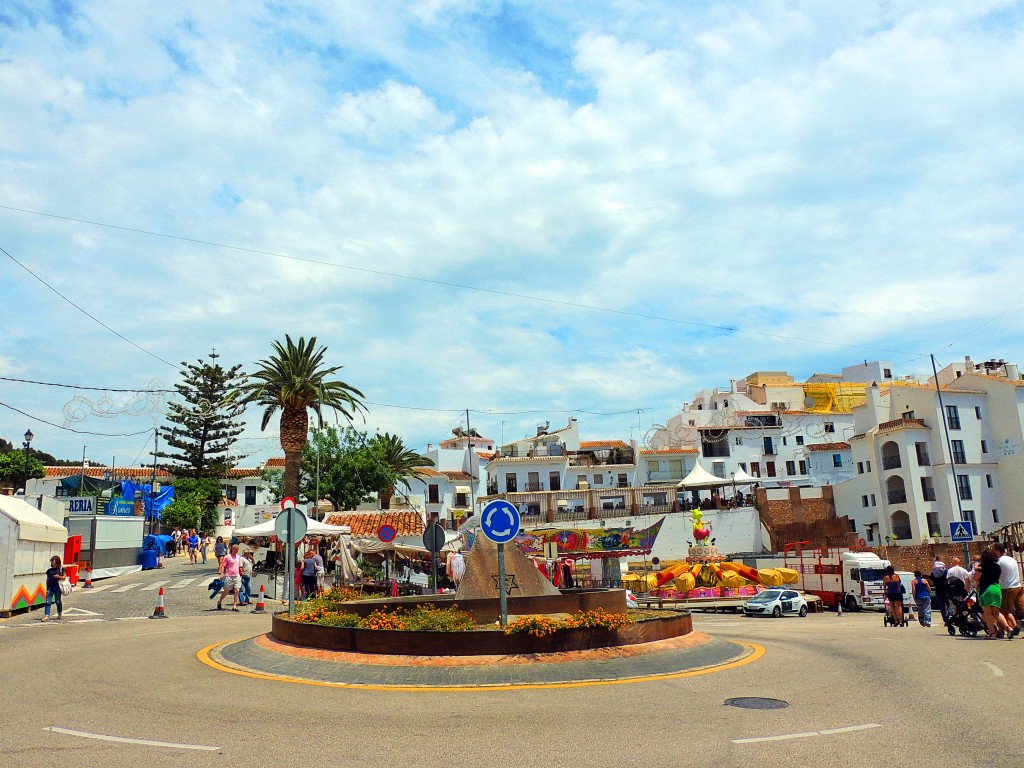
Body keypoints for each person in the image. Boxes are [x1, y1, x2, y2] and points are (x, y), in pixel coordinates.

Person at [977, 548, 1009, 638]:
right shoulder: (997, 567)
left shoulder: (983, 567)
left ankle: (992, 633)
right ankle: (1008, 628)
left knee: (988, 613)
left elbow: (975, 578)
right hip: (996, 588)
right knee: (996, 612)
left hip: (986, 590)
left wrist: (977, 568)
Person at [993, 542, 1022, 637]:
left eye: (993, 550)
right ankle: (1012, 627)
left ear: (997, 551)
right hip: (1017, 585)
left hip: (1007, 588)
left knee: (1003, 610)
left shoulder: (999, 562)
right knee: (1021, 608)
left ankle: (1002, 630)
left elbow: (997, 576)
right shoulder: (1012, 559)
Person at [217, 543, 243, 611]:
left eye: (238, 550)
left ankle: (234, 606)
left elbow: (239, 565)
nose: (236, 551)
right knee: (226, 591)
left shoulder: (238, 557)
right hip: (229, 576)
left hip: (237, 576)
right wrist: (222, 573)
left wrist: (241, 572)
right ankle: (220, 601)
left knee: (237, 590)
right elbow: (223, 565)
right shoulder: (227, 557)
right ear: (232, 549)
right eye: (235, 549)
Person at [42, 555, 68, 621]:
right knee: (48, 601)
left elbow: (64, 577)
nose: (52, 562)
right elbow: (47, 579)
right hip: (50, 587)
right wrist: (47, 587)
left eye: (53, 560)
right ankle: (46, 616)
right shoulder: (49, 570)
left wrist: (59, 577)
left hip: (57, 587)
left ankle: (59, 613)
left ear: (56, 561)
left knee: (58, 601)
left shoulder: (61, 569)